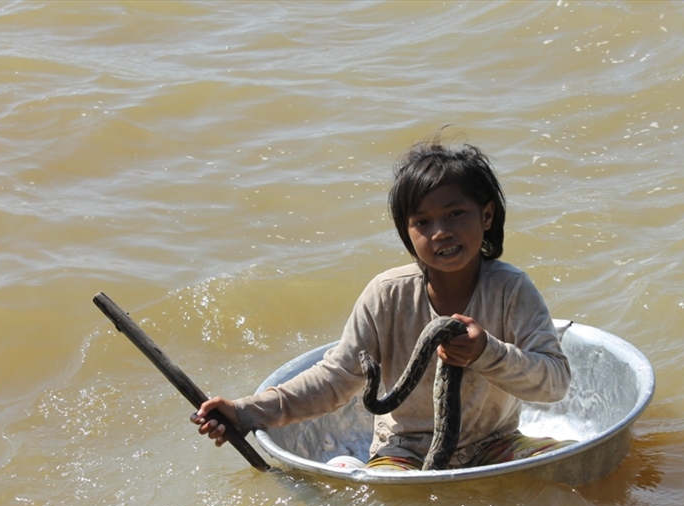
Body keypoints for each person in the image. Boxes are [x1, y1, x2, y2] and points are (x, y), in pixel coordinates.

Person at [192, 138, 573, 470]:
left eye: (456, 213)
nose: (440, 231)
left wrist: (486, 351)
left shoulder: (511, 289)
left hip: (494, 444)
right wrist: (244, 412)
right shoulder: (387, 295)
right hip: (404, 450)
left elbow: (554, 383)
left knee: (576, 463)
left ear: (486, 215)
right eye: (422, 222)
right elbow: (334, 380)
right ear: (406, 233)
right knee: (388, 497)